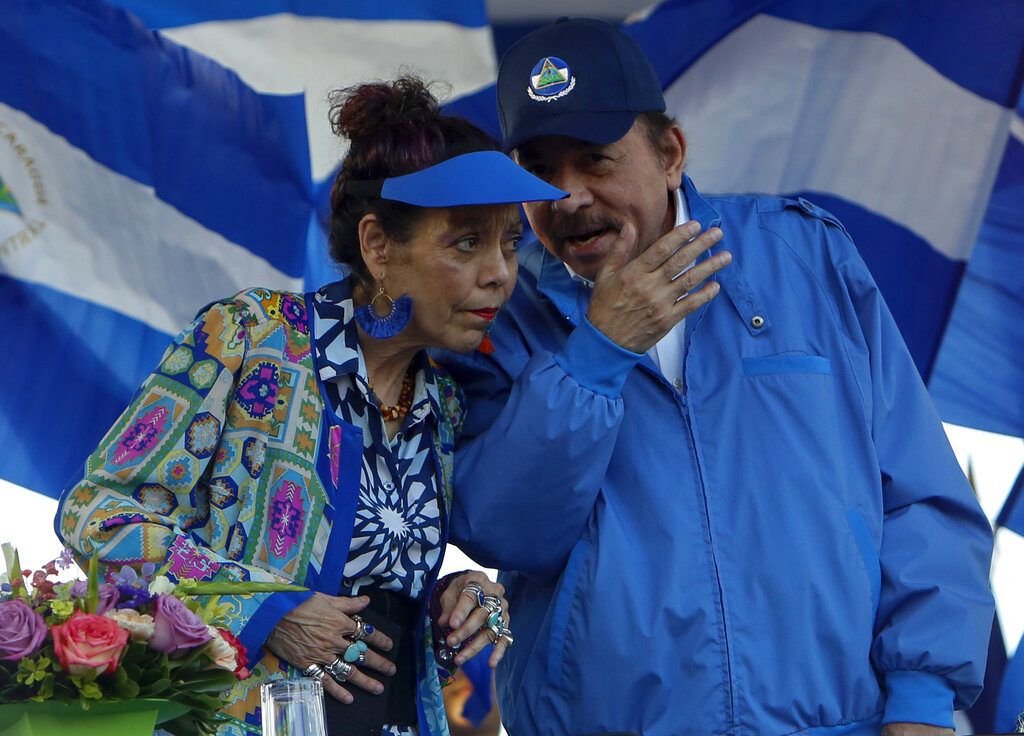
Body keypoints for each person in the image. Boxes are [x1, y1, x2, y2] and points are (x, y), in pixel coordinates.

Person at [439, 18, 995, 736]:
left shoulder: (805, 257)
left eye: (596, 160)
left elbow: (919, 497)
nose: (567, 196)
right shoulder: (502, 314)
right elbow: (508, 532)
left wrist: (923, 704)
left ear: (670, 152)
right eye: (539, 170)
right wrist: (598, 353)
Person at [54, 76, 566, 736]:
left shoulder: (443, 404)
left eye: (509, 244)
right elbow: (94, 514)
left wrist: (455, 604)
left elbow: (376, 626)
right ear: (380, 247)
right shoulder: (250, 337)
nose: (499, 273)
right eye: (467, 243)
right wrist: (266, 608)